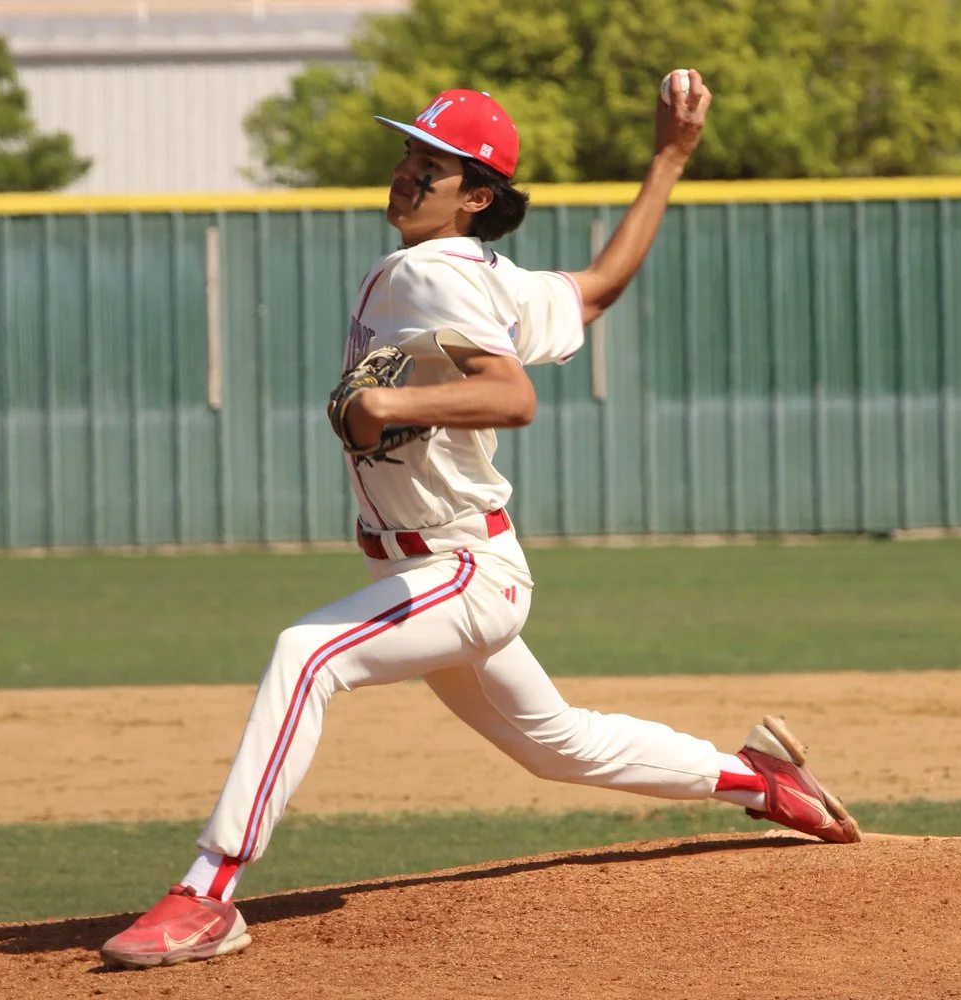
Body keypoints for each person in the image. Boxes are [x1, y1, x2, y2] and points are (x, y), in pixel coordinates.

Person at [101, 69, 859, 970]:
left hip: (459, 570)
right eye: (409, 153)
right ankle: (758, 780)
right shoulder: (485, 276)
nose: (408, 172)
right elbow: (599, 288)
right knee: (557, 744)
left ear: (478, 196)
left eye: (434, 165)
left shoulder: (429, 273)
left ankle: (208, 893)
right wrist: (670, 157)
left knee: (306, 657)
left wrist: (390, 405)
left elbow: (512, 396)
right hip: (429, 568)